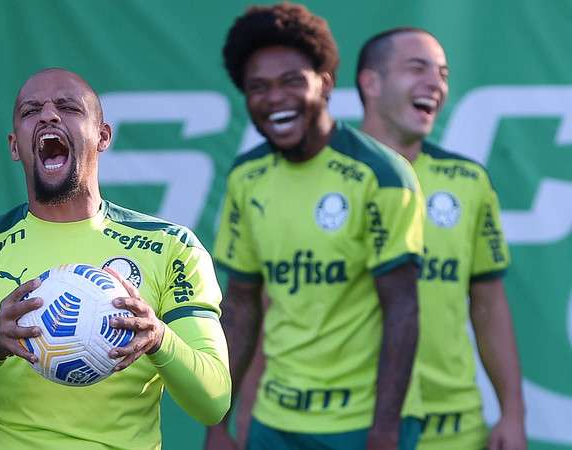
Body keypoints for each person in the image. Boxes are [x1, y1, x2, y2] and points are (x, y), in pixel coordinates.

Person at [0, 68, 231, 449]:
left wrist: (159, 338)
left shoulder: (172, 246)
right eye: (31, 111)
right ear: (15, 146)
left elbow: (214, 402)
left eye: (68, 107)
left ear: (102, 137)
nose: (49, 115)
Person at [205, 4, 426, 450]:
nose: (275, 99)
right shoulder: (246, 178)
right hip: (275, 421)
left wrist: (385, 430)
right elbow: (242, 307)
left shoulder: (381, 175)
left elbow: (402, 311)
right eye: (258, 87)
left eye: (291, 81)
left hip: (361, 425)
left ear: (324, 84)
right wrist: (217, 424)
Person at [356, 27, 526, 450]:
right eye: (418, 68)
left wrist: (513, 413)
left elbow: (488, 303)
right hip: (350, 427)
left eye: (444, 74)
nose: (436, 83)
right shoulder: (326, 176)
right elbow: (271, 306)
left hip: (455, 429)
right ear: (370, 82)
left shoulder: (468, 180)